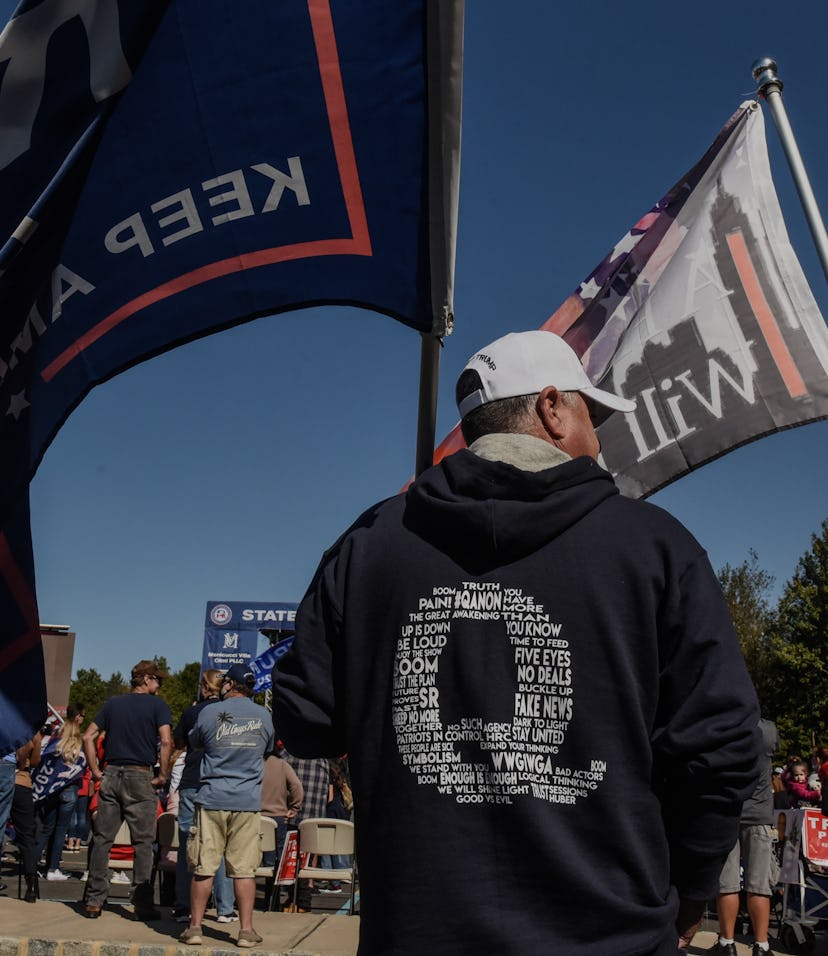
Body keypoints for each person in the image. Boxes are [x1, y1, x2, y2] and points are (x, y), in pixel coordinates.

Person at [273, 329, 762, 955]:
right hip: (612, 933)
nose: (600, 436)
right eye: (595, 414)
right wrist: (691, 883)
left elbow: (307, 719)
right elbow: (721, 744)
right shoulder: (655, 546)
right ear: (553, 407)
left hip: (417, 930)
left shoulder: (369, 545)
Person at [179, 663, 274, 949]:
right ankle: (246, 931)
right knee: (244, 870)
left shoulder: (209, 712)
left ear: (230, 685)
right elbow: (268, 750)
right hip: (246, 802)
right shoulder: (265, 716)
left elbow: (194, 743)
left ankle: (195, 928)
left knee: (204, 866)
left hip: (212, 798)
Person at [81, 659, 172, 920]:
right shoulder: (158, 706)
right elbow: (166, 741)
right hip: (140, 775)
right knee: (143, 842)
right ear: (146, 680)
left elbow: (88, 736)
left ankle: (94, 900)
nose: (160, 684)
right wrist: (163, 774)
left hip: (110, 773)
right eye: (157, 679)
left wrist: (96, 770)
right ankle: (142, 903)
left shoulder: (113, 704)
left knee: (102, 839)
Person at [710, 718, 780, 956]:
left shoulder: (724, 726)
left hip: (729, 811)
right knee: (758, 885)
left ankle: (726, 943)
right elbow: (774, 749)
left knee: (727, 883)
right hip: (759, 814)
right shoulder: (768, 730)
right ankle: (761, 945)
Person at [171, 669, 236, 924]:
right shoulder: (229, 713)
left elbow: (179, 743)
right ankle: (225, 908)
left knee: (189, 844)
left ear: (203, 687)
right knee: (220, 845)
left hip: (191, 780)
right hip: (218, 781)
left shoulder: (192, 713)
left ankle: (182, 906)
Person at [33, 703, 87, 881]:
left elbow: (45, 762)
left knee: (47, 829)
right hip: (70, 789)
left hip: (51, 789)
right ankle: (53, 868)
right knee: (61, 829)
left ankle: (31, 866)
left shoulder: (56, 738)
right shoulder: (80, 741)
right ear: (78, 717)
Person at [11, 732, 42, 902]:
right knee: (26, 835)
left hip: (7, 777)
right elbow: (36, 761)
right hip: (22, 781)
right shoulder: (31, 731)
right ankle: (31, 881)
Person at [260, 753, 303, 871]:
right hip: (278, 816)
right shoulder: (282, 764)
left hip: (254, 815)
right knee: (276, 860)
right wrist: (295, 808)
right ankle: (273, 889)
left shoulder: (253, 761)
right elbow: (296, 785)